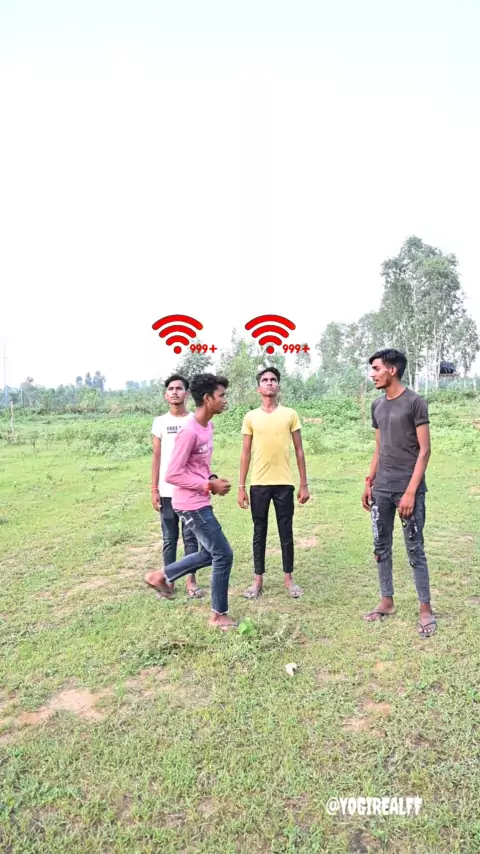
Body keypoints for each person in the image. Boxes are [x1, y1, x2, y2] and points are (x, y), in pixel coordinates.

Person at [144, 374, 237, 631]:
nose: (225, 400)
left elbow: (197, 467)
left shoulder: (208, 427)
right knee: (223, 554)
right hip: (189, 504)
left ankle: (162, 576)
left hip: (199, 500)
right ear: (207, 399)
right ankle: (218, 615)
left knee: (208, 553)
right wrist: (207, 485)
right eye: (221, 395)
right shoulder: (188, 431)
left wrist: (211, 478)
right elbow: (173, 474)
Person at [361, 348, 436, 637]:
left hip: (408, 490)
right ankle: (387, 601)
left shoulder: (415, 402)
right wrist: (369, 480)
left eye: (376, 368)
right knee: (381, 547)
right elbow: (379, 447)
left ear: (392, 370)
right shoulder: (377, 406)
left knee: (415, 548)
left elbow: (425, 451)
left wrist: (410, 492)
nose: (372, 374)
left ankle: (425, 608)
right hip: (381, 489)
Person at [238, 366, 310, 599]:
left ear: (278, 386)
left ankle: (288, 578)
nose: (269, 383)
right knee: (259, 531)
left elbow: (299, 450)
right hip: (259, 483)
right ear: (258, 388)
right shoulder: (251, 417)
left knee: (285, 531)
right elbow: (245, 453)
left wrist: (304, 484)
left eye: (273, 380)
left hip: (284, 483)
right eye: (265, 380)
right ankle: (257, 579)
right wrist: (241, 487)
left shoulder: (290, 414)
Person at [150, 374, 203, 598]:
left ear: (186, 394)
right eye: (171, 389)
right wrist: (154, 489)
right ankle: (169, 581)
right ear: (166, 395)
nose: (174, 392)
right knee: (169, 538)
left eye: (179, 388)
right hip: (167, 490)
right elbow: (157, 456)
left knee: (191, 537)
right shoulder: (160, 422)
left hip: (189, 490)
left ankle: (191, 581)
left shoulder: (194, 421)